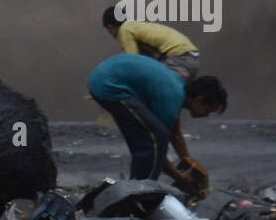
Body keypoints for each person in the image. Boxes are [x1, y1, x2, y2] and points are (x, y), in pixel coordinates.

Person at [87, 53, 227, 186]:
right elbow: (158, 145)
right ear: (199, 100)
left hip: (106, 77)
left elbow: (175, 133)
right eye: (208, 110)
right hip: (109, 86)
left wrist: (189, 163)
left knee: (146, 138)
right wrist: (179, 177)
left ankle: (137, 184)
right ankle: (142, 189)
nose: (207, 115)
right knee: (152, 140)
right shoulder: (171, 99)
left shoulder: (177, 89)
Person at [102, 5, 201, 81]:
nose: (111, 35)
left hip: (178, 59)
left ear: (111, 27)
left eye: (108, 31)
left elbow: (132, 61)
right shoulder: (135, 27)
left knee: (155, 91)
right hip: (190, 58)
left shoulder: (124, 30)